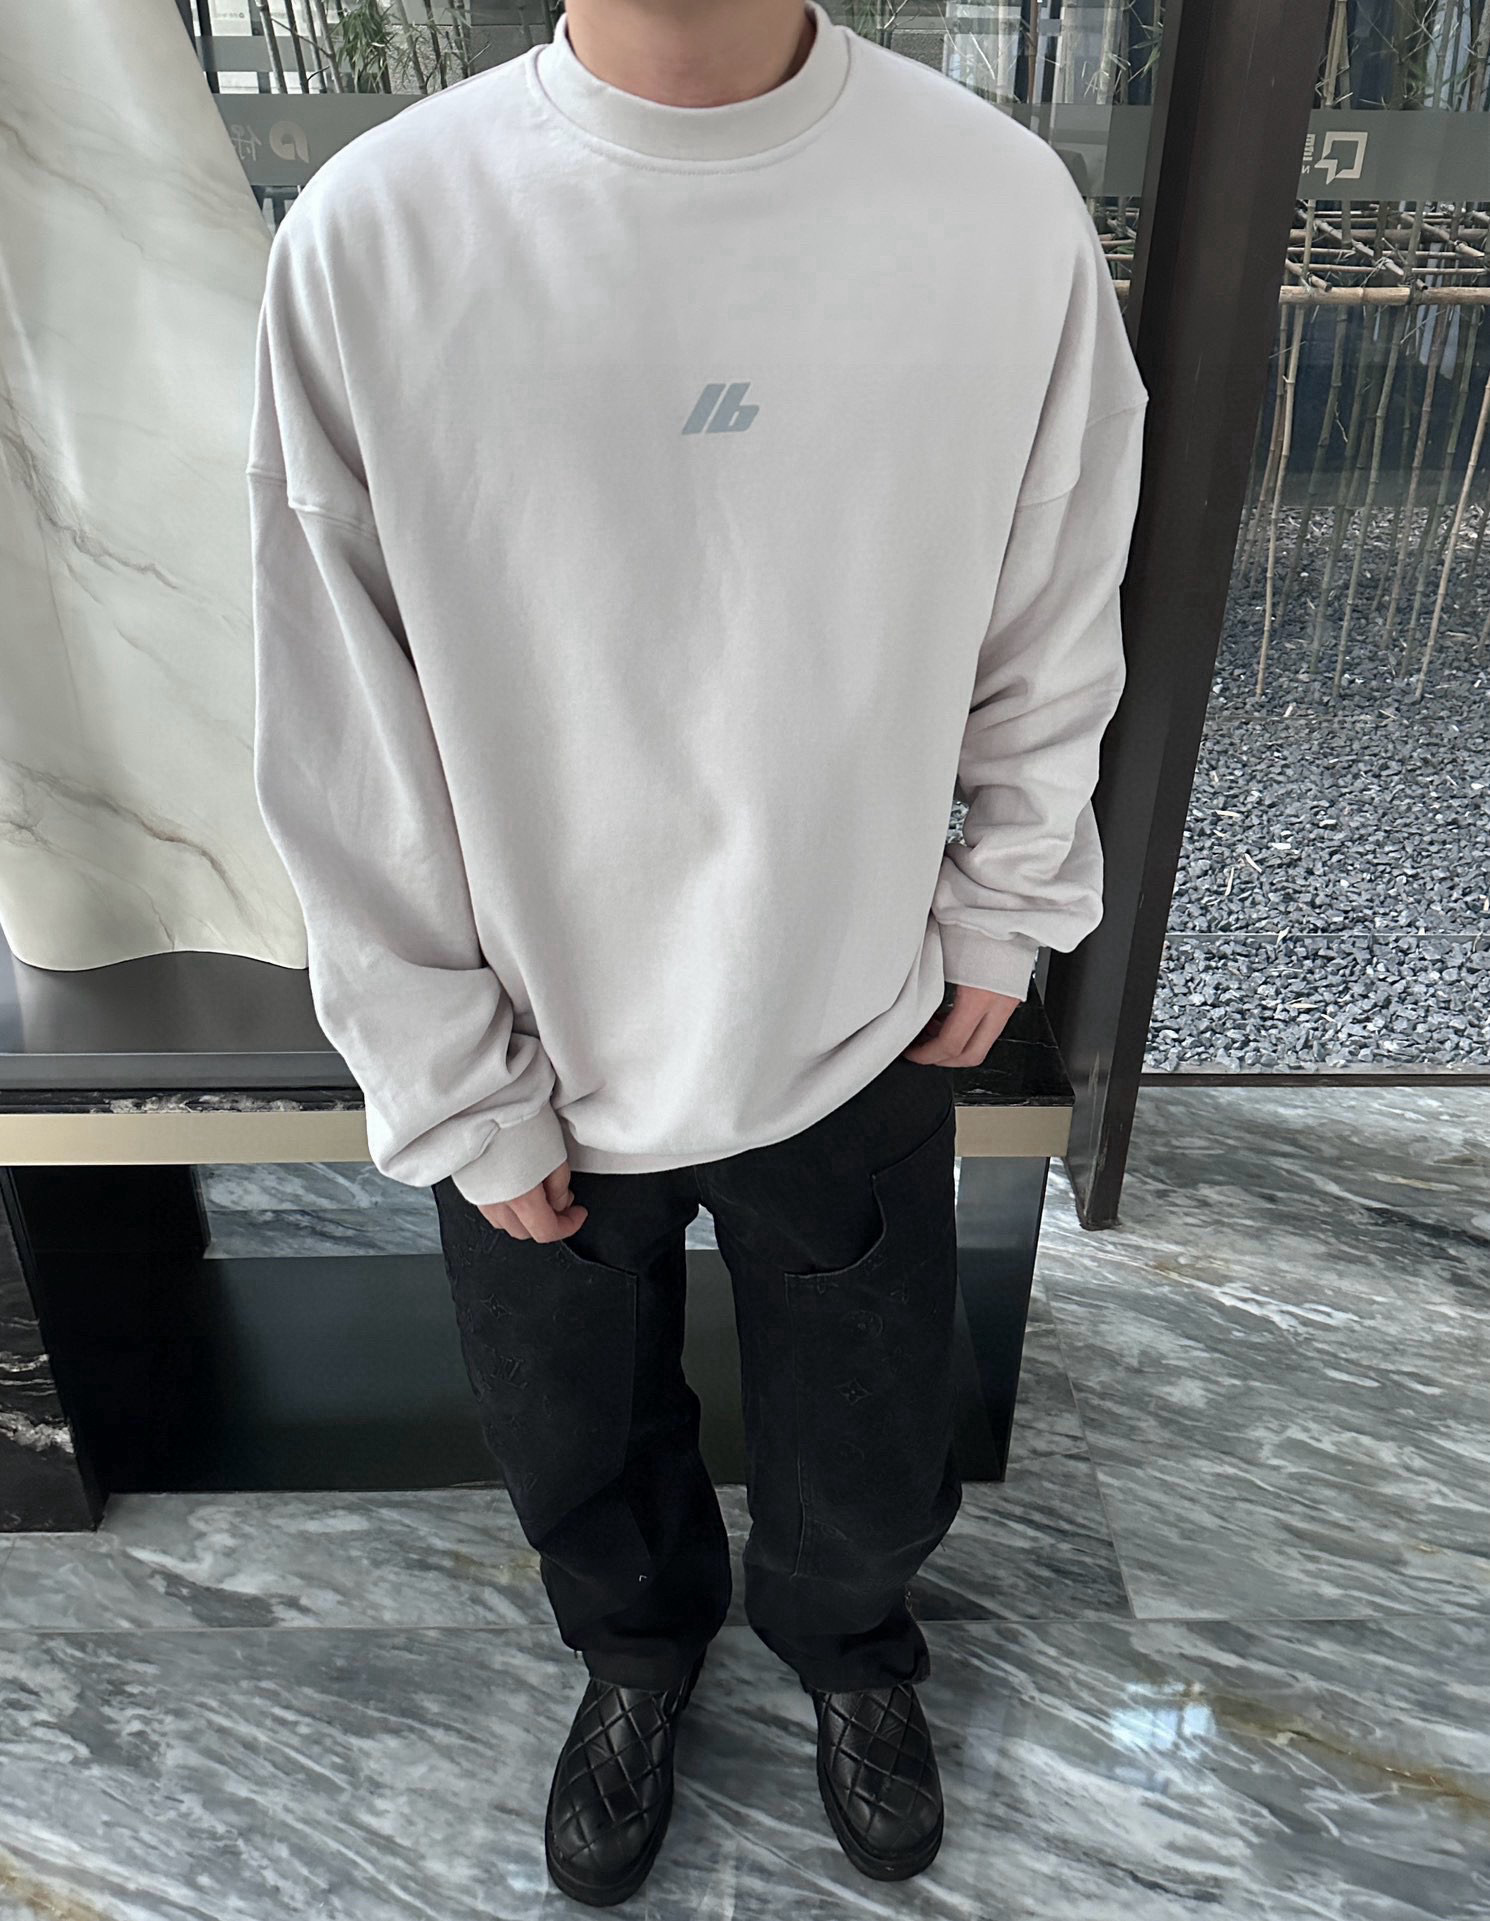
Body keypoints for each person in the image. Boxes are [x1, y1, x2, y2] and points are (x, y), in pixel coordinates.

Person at [246, 0, 1147, 1903]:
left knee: (872, 1423)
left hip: (856, 992)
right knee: (567, 1428)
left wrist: (1005, 899)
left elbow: (1056, 586)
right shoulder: (378, 228)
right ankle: (637, 1661)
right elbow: (338, 709)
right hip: (536, 1013)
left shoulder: (989, 204)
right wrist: (444, 1070)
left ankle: (850, 1650)